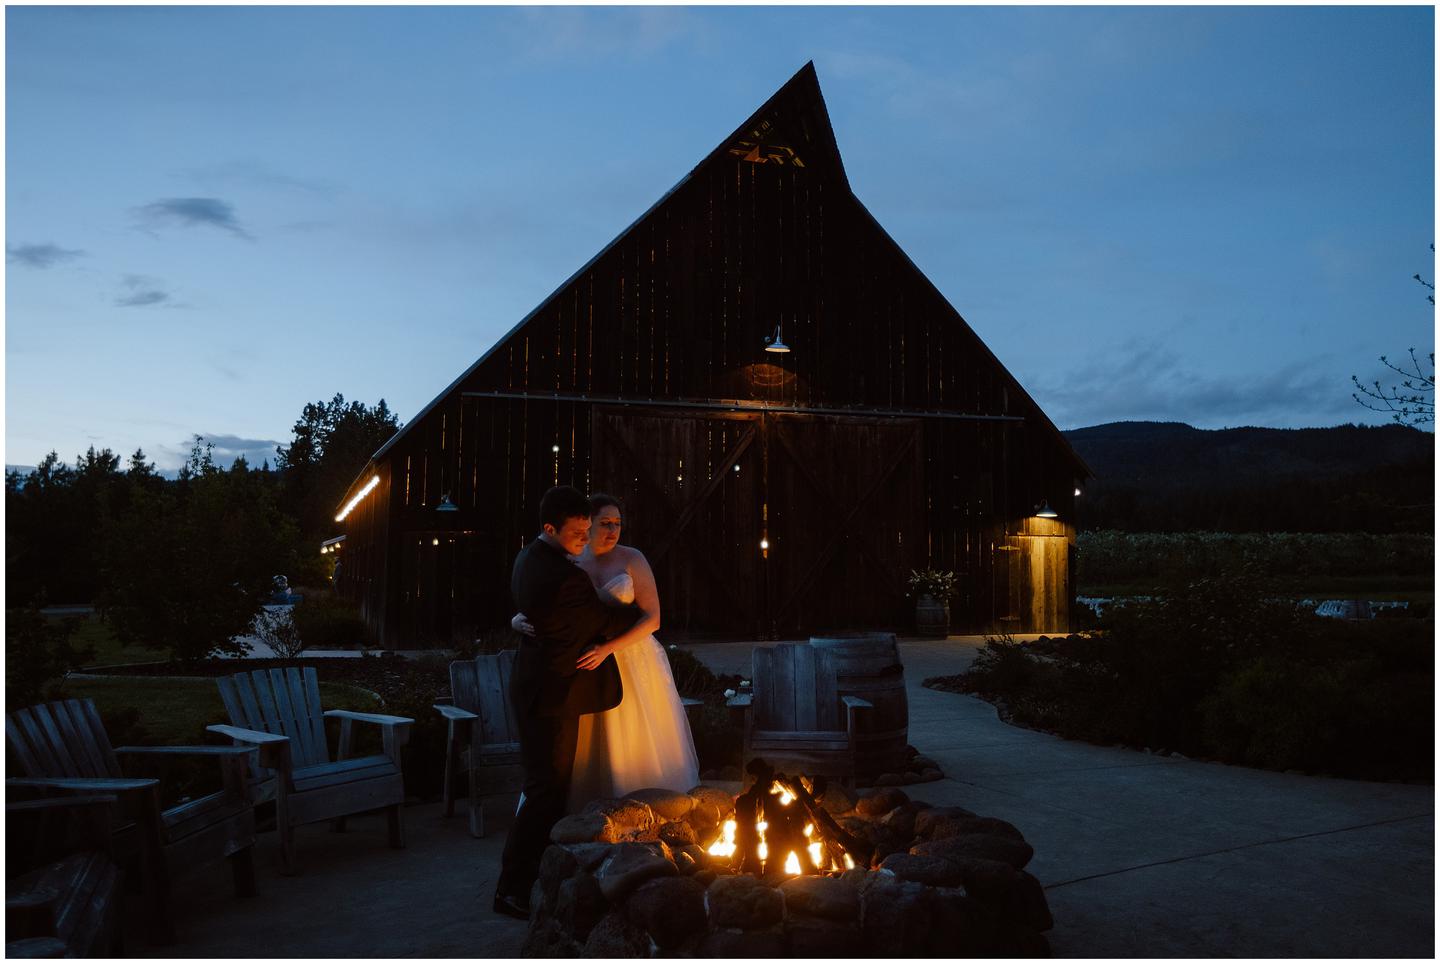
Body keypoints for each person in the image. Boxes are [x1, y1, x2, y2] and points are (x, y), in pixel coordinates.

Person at [494, 485, 641, 921]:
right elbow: (600, 621)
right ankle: (512, 887)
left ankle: (527, 877)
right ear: (550, 528)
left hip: (536, 685)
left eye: (587, 530)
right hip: (553, 694)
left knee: (543, 785)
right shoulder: (565, 577)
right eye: (578, 532)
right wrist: (633, 612)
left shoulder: (528, 557)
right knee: (546, 789)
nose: (585, 539)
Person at [513, 493, 700, 812]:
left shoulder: (632, 559)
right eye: (605, 523)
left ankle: (640, 809)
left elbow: (652, 619)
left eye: (617, 523)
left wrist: (608, 648)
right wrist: (517, 620)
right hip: (584, 667)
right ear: (588, 524)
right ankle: (577, 816)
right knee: (579, 747)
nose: (613, 530)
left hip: (628, 658)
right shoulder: (569, 559)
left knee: (631, 739)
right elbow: (548, 603)